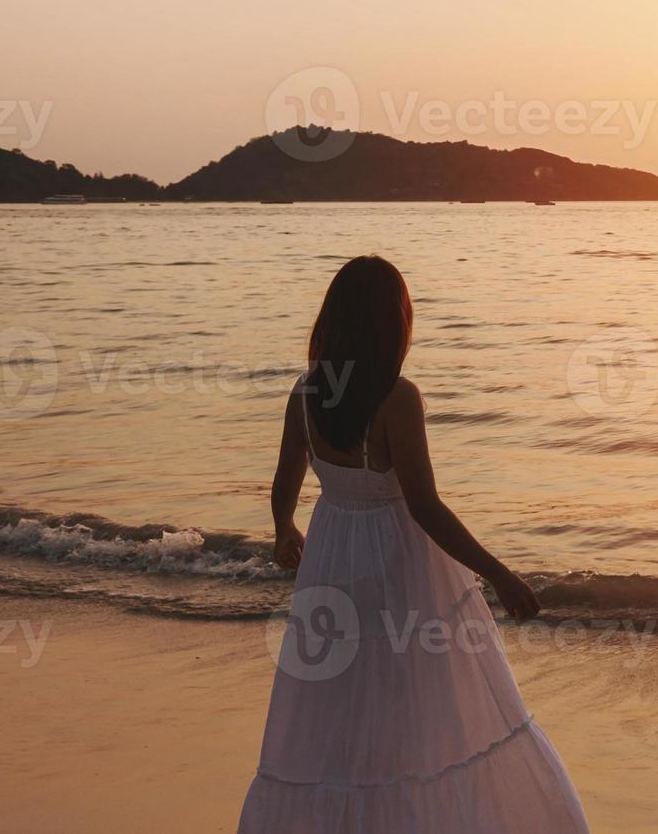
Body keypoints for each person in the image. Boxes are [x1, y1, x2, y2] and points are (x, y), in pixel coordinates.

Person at [239, 255, 588, 833]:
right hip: (399, 559)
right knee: (417, 701)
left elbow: (285, 480)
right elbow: (424, 506)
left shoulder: (306, 393)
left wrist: (284, 529)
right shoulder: (397, 397)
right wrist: (498, 572)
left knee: (341, 702)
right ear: (392, 323)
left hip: (332, 555)